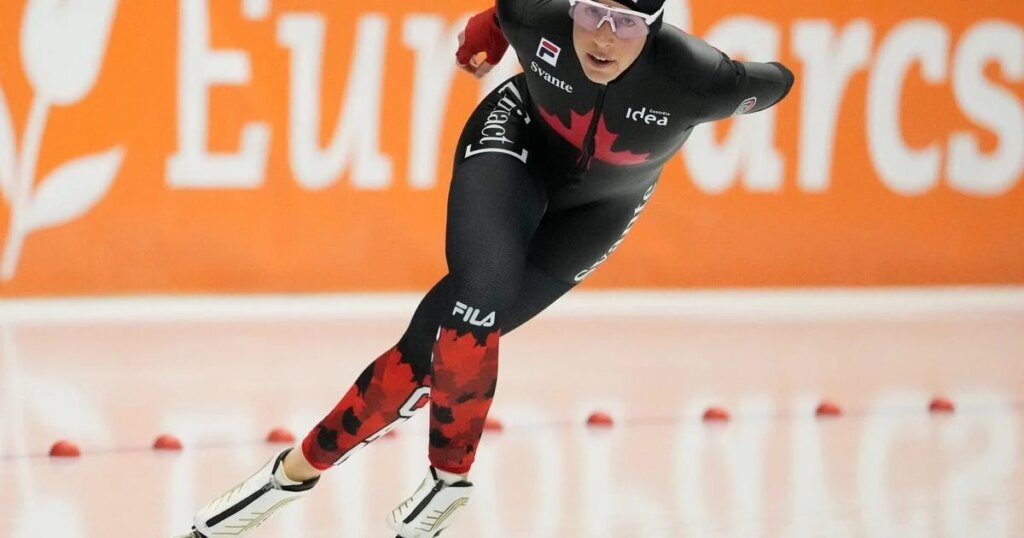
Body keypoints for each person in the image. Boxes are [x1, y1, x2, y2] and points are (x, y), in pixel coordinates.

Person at [177, 0, 794, 536]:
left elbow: (779, 80)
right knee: (479, 301)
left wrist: (749, 75)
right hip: (515, 138)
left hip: (600, 210)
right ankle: (446, 481)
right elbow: (504, 14)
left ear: (656, 26)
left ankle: (290, 477)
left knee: (430, 349)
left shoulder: (700, 79)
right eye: (590, 13)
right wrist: (486, 37)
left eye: (627, 23)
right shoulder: (538, 14)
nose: (603, 37)